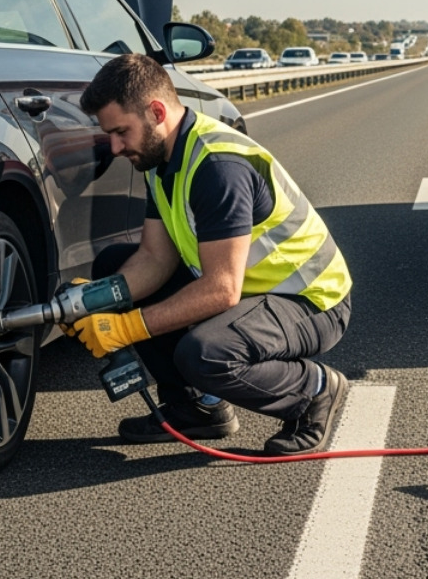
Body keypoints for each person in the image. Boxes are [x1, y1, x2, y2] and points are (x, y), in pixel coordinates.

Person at [70, 53, 353, 455]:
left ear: (155, 112)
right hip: (250, 291)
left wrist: (127, 327)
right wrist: (92, 300)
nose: (115, 147)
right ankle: (196, 409)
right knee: (114, 268)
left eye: (121, 132)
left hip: (310, 301)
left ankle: (314, 392)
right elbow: (154, 259)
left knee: (205, 353)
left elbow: (221, 290)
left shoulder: (217, 167)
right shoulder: (159, 160)